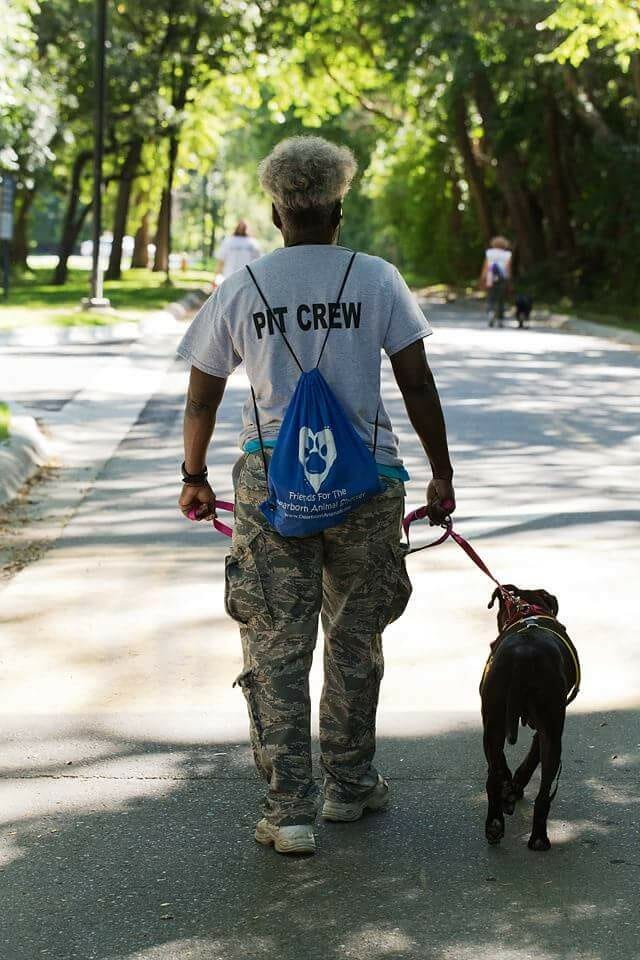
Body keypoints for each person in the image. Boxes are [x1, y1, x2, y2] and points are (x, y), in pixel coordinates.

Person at [177, 136, 455, 856]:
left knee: (276, 644)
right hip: (368, 481)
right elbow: (416, 382)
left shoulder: (242, 288)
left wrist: (195, 476)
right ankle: (349, 784)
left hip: (273, 487)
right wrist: (441, 473)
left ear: (275, 212)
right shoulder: (378, 279)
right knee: (355, 640)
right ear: (339, 207)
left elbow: (204, 392)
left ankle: (289, 809)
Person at [480, 236, 512, 327]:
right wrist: (509, 280)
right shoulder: (507, 254)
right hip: (502, 278)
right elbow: (508, 268)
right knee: (501, 299)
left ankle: (490, 313)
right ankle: (500, 319)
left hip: (490, 277)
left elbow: (486, 266)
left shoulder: (489, 253)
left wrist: (482, 278)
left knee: (490, 297)